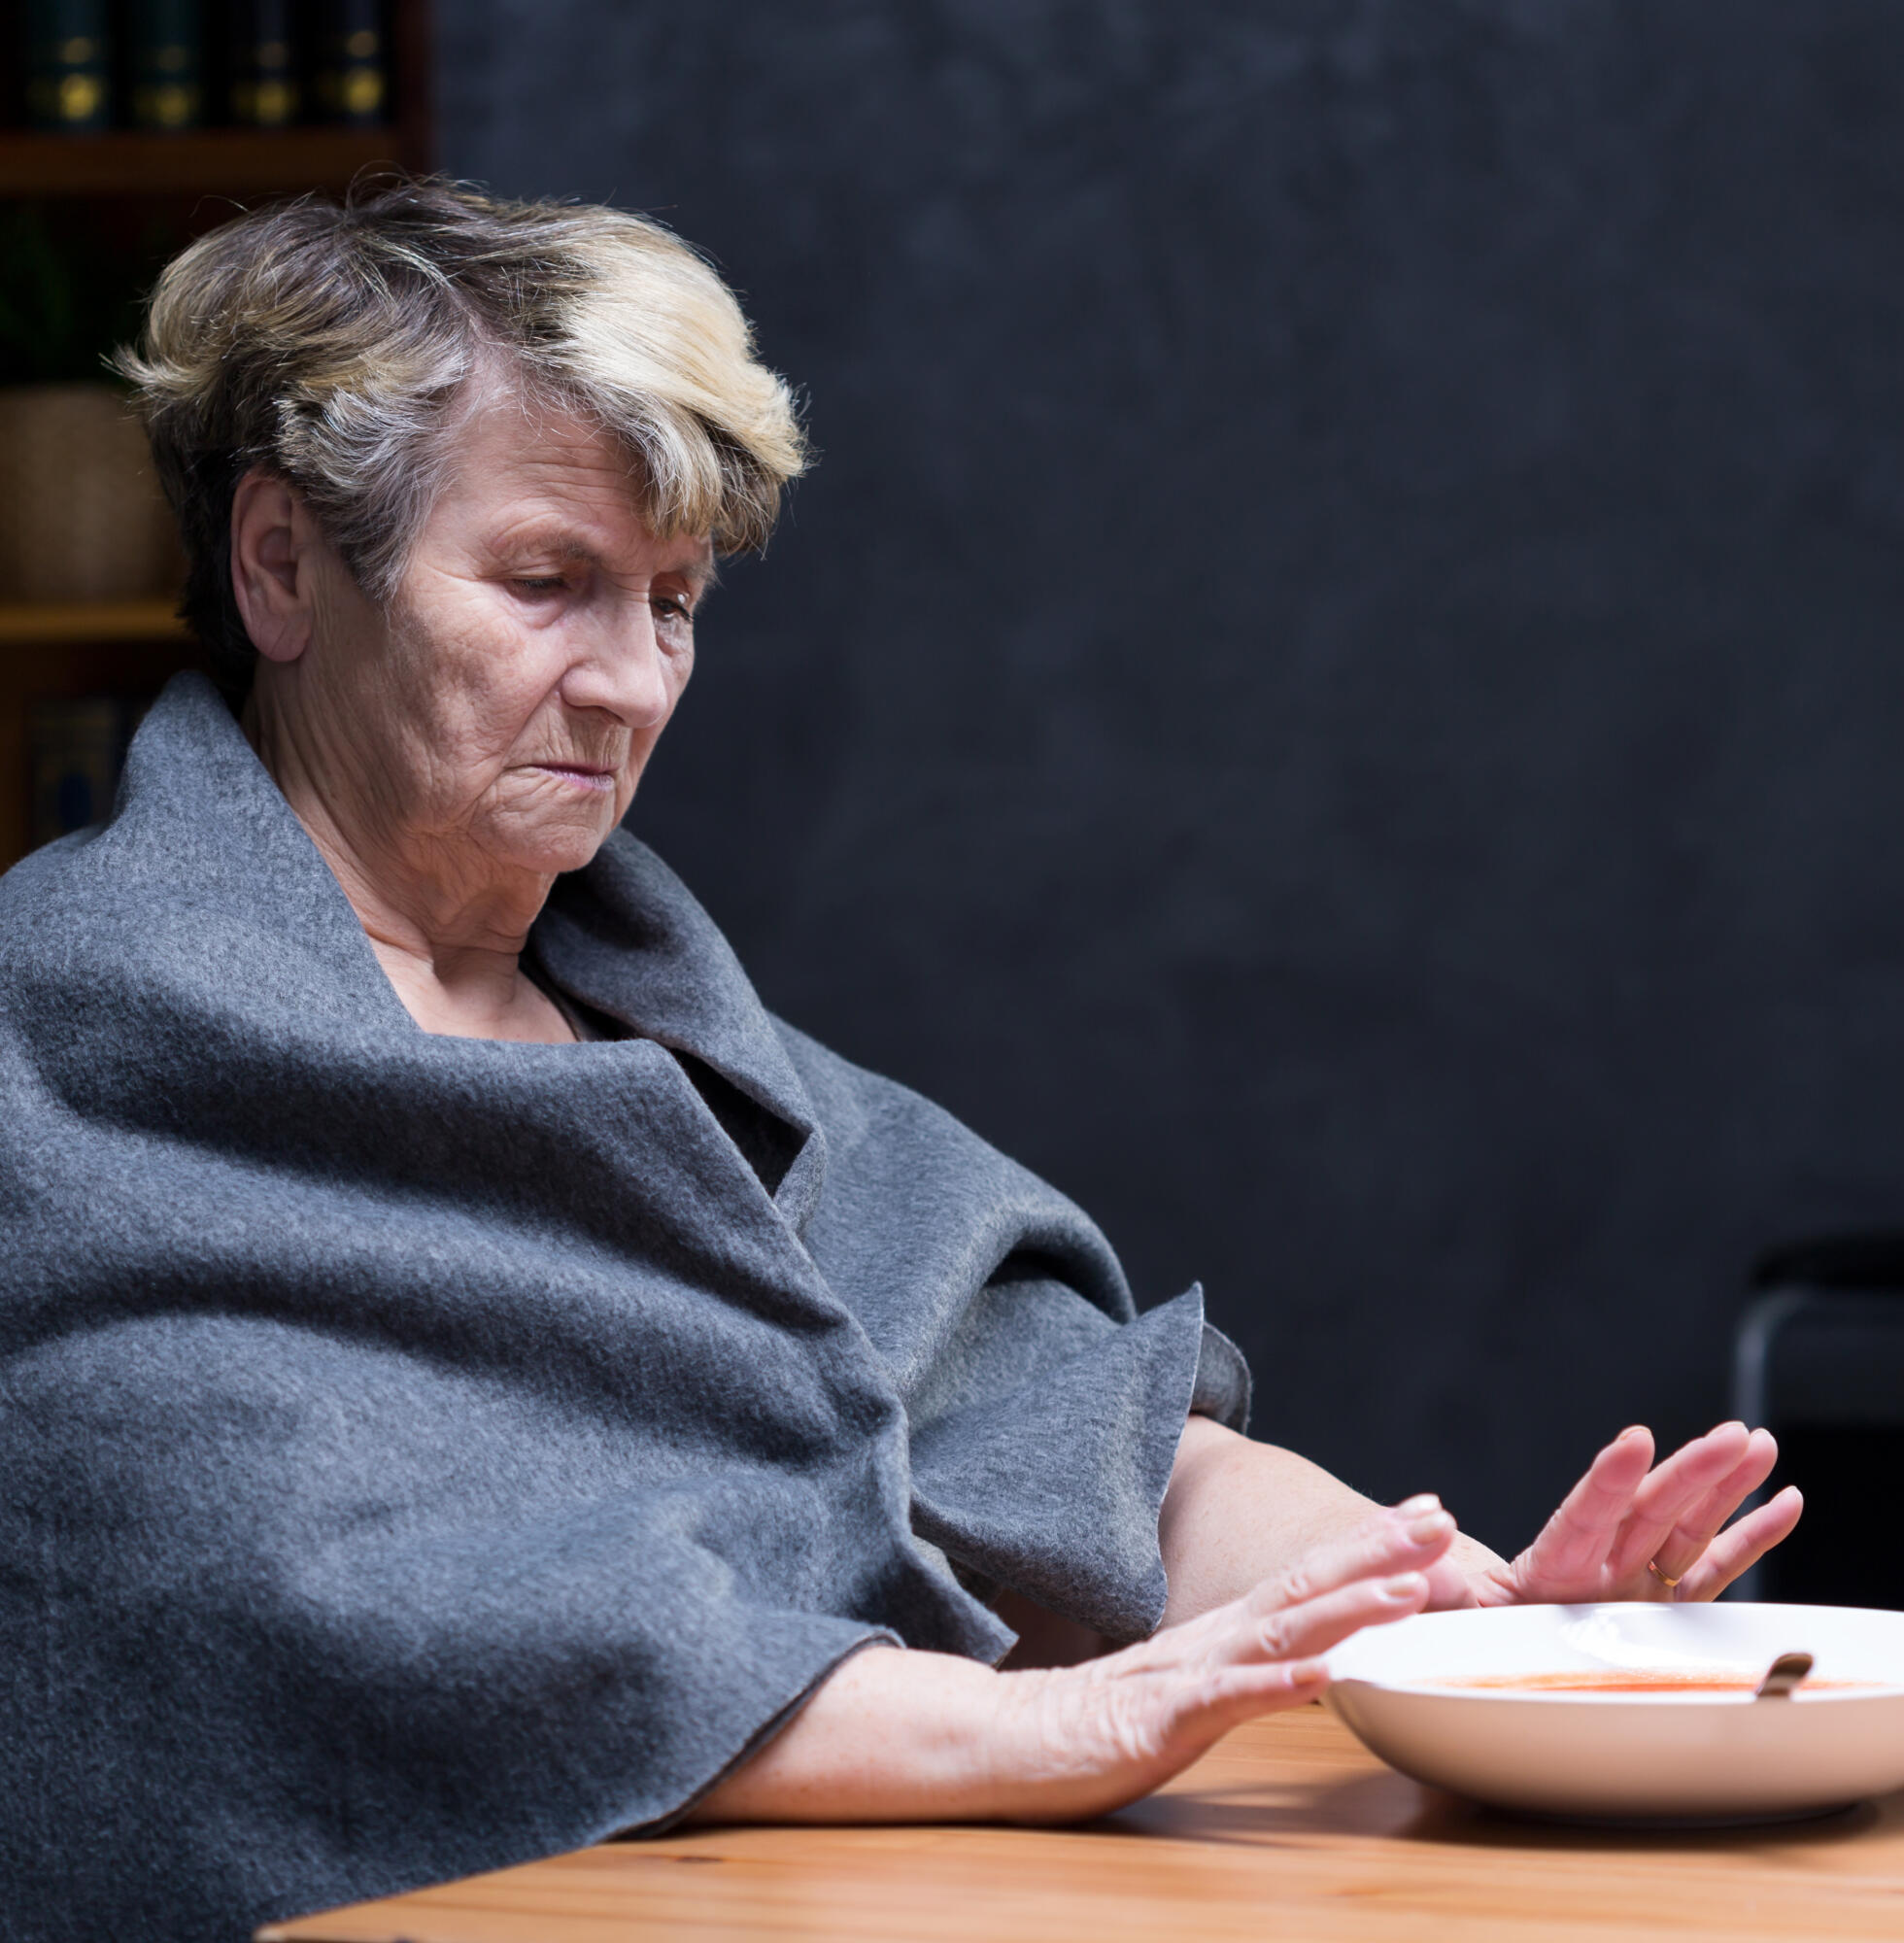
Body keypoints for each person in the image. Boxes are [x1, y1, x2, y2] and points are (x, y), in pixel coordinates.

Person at [0, 179, 1801, 1943]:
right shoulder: (66, 1062)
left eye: (674, 601)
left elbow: (1110, 1444)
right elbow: (305, 1606)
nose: (630, 683)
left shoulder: (709, 1062)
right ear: (281, 565)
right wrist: (1052, 1726)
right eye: (548, 582)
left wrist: (1451, 1628)